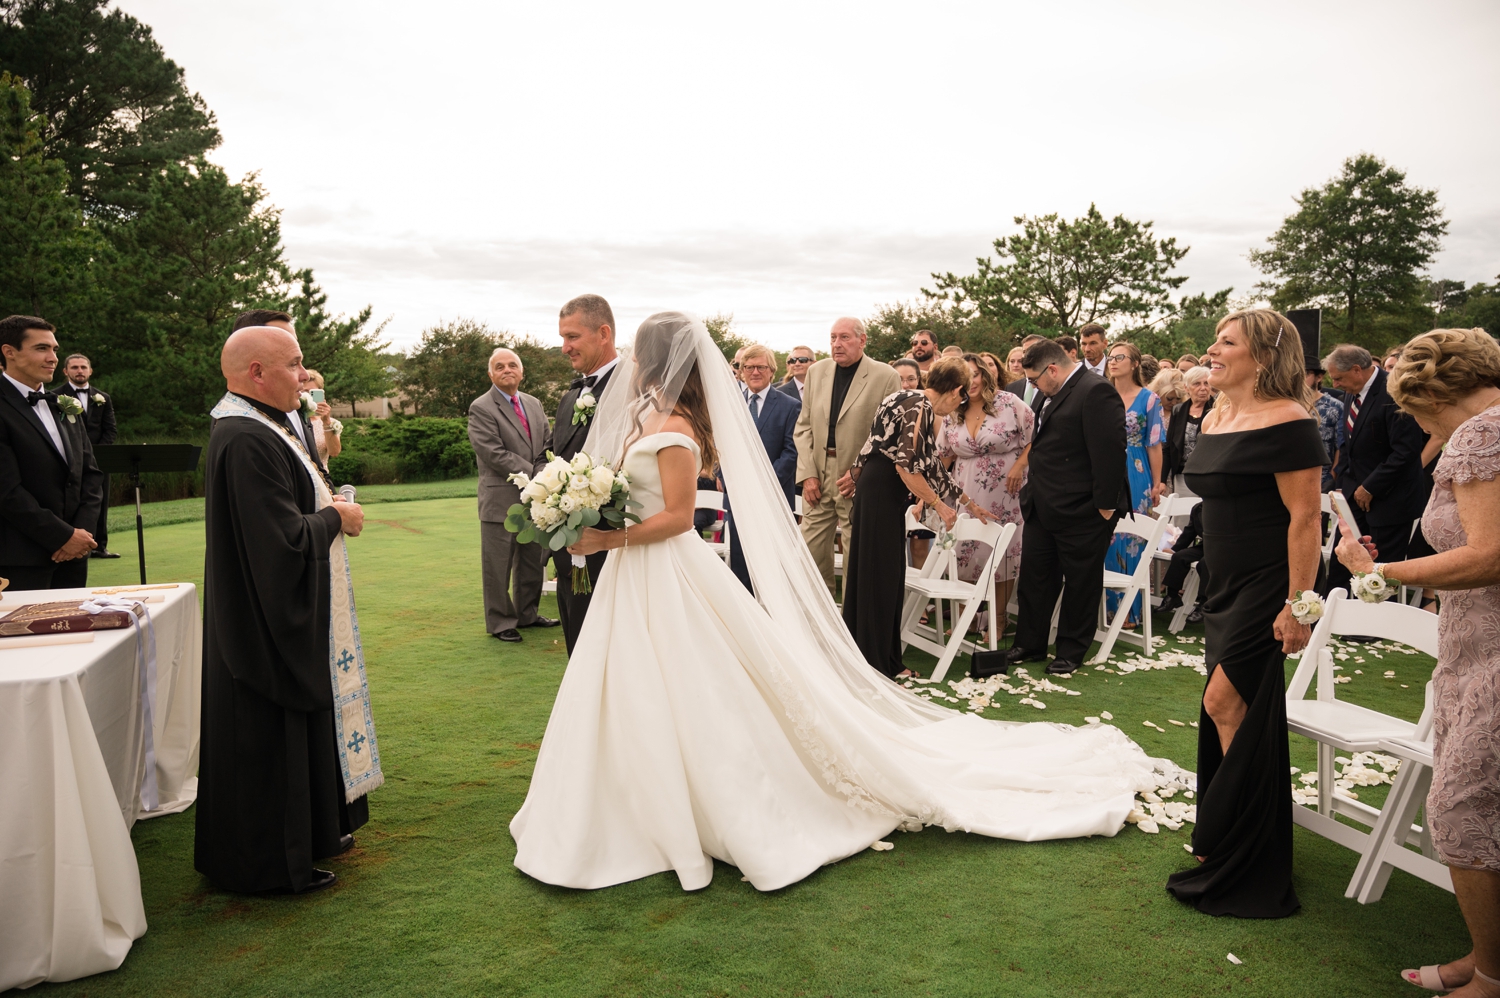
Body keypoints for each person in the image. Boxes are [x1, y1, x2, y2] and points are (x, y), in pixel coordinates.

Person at [510, 311, 1157, 894]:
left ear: (653, 360)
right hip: (633, 571)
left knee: (691, 680)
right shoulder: (645, 415)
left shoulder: (676, 426)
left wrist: (605, 534)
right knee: (637, 682)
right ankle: (630, 796)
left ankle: (694, 798)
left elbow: (679, 519)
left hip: (660, 566)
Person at [1330, 327, 1500, 994]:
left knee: (1461, 807)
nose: (1418, 423)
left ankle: (1490, 974)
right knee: (1478, 803)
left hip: (1491, 648)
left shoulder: (1482, 435)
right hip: (1469, 641)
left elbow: (1489, 555)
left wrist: (1380, 569)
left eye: (1417, 408)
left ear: (1432, 392)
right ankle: (1483, 954)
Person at [196, 324, 377, 895]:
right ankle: (269, 862)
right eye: (295, 365)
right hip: (261, 624)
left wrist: (324, 503)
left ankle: (312, 832)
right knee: (264, 735)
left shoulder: (261, 425)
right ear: (256, 372)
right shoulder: (246, 437)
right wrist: (336, 519)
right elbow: (279, 541)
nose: (305, 377)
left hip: (264, 609)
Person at [1164, 308, 1324, 919]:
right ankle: (1236, 838)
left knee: (1226, 704)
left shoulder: (1290, 422)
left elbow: (1306, 520)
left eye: (1226, 342)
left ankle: (1248, 852)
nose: (1212, 349)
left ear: (1262, 356)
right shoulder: (1222, 413)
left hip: (1267, 583)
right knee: (1232, 710)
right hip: (1224, 583)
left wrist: (1297, 605)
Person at [842, 358, 991, 677]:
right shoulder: (919, 407)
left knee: (875, 575)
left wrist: (968, 502)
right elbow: (906, 468)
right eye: (961, 399)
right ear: (957, 391)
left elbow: (929, 462)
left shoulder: (902, 395)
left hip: (875, 487)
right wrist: (939, 505)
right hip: (884, 490)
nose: (957, 406)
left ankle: (871, 657)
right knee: (881, 578)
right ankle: (877, 665)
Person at [1004, 338, 1128, 676]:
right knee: (1035, 578)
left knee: (1079, 582)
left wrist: (1104, 507)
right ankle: (1029, 643)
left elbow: (1111, 451)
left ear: (1053, 369)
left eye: (1034, 379)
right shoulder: (1050, 390)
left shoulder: (1095, 391)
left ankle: (1071, 651)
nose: (1031, 385)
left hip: (1083, 508)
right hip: (1043, 503)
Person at [793, 317, 901, 595]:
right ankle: (819, 621)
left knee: (858, 556)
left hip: (859, 477)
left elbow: (888, 435)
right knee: (810, 551)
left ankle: (852, 625)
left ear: (862, 340)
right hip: (818, 473)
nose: (836, 344)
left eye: (844, 338)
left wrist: (859, 473)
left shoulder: (885, 376)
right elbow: (803, 427)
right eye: (832, 338)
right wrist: (808, 475)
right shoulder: (816, 372)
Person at [0, 315, 104, 589]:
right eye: (41, 348)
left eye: (54, 349)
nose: (53, 358)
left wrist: (82, 537)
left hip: (74, 557)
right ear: (9, 352)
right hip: (21, 559)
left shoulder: (62, 405)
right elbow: (7, 491)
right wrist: (62, 537)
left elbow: (90, 476)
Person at [936, 354, 1032, 642]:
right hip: (964, 491)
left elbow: (1036, 437)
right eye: (964, 377)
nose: (971, 381)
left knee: (1002, 556)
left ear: (985, 376)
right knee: (966, 552)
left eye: (975, 374)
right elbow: (943, 454)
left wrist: (1019, 466)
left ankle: (999, 620)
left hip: (1007, 490)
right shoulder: (953, 409)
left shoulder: (1009, 403)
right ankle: (970, 616)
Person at [1323, 343, 1427, 598]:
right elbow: (1349, 442)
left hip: (1390, 498)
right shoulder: (1352, 391)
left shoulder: (1395, 391)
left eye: (1339, 378)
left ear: (1357, 370)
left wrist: (1370, 486)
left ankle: (1371, 625)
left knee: (1381, 565)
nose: (1335, 384)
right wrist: (1342, 485)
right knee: (1343, 556)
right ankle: (1332, 611)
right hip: (1354, 493)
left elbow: (1406, 450)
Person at [469, 347, 556, 642]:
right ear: (491, 374)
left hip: (534, 499)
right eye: (500, 366)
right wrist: (535, 472)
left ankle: (527, 614)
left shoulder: (533, 403)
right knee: (497, 564)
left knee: (531, 560)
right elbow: (493, 452)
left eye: (513, 365)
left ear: (522, 372)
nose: (507, 370)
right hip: (501, 499)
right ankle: (500, 622)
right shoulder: (481, 407)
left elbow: (547, 442)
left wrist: (544, 471)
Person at [550, 294, 621, 654]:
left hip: (614, 554)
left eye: (573, 337)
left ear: (603, 333)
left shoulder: (635, 391)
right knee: (577, 652)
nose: (565, 348)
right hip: (568, 552)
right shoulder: (569, 397)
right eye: (563, 338)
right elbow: (551, 458)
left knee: (612, 654)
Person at [727, 344, 800, 592]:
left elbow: (792, 452)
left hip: (774, 496)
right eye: (749, 367)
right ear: (741, 372)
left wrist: (763, 483)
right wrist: (723, 476)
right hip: (738, 498)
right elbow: (719, 446)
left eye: (761, 367)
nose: (754, 372)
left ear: (772, 371)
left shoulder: (790, 406)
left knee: (775, 565)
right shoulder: (729, 404)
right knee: (741, 562)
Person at [1104, 342, 1165, 628]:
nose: (1113, 362)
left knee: (1133, 540)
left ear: (1135, 363)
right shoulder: (1101, 394)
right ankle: (1104, 608)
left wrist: (1157, 482)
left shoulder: (1149, 399)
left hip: (1137, 470)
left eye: (1120, 357)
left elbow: (1154, 443)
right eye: (1110, 357)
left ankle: (1130, 611)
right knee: (1105, 537)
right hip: (1104, 470)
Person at [231, 310, 327, 471]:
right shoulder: (240, 428)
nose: (303, 375)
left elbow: (317, 467)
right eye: (281, 338)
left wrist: (331, 495)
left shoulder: (293, 402)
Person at [56, 351, 119, 559]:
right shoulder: (56, 397)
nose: (79, 371)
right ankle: (69, 546)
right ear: (65, 371)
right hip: (69, 461)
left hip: (99, 462)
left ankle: (99, 546)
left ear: (90, 371)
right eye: (74, 367)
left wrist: (96, 454)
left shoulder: (103, 398)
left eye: (83, 367)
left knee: (99, 502)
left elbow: (110, 430)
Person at [1164, 366, 1215, 498]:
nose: (1203, 388)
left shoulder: (1217, 410)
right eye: (1197, 384)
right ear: (1186, 388)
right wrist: (1161, 480)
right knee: (1181, 516)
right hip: (1182, 476)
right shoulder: (1178, 410)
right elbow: (1169, 447)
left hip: (1208, 476)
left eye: (1206, 383)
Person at [1156, 501, 1207, 621]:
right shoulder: (1198, 508)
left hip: (1225, 547)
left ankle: (1204, 604)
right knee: (1179, 557)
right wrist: (1174, 550)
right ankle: (1172, 596)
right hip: (1205, 546)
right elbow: (1189, 533)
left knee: (1204, 563)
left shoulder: (1226, 506)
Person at [1306, 361, 1342, 493]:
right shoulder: (1287, 404)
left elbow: (1340, 446)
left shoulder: (1335, 406)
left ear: (1319, 377)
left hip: (1323, 479)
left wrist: (1333, 475)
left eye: (1305, 374)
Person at [301, 369, 342, 465]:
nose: (309, 397)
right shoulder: (290, 418)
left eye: (313, 392)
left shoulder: (331, 422)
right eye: (305, 392)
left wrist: (326, 422)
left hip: (321, 477)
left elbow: (334, 452)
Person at [1148, 367, 1185, 432]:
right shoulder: (1147, 410)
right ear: (1158, 393)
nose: (1174, 402)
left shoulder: (1184, 412)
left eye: (1178, 398)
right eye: (1169, 399)